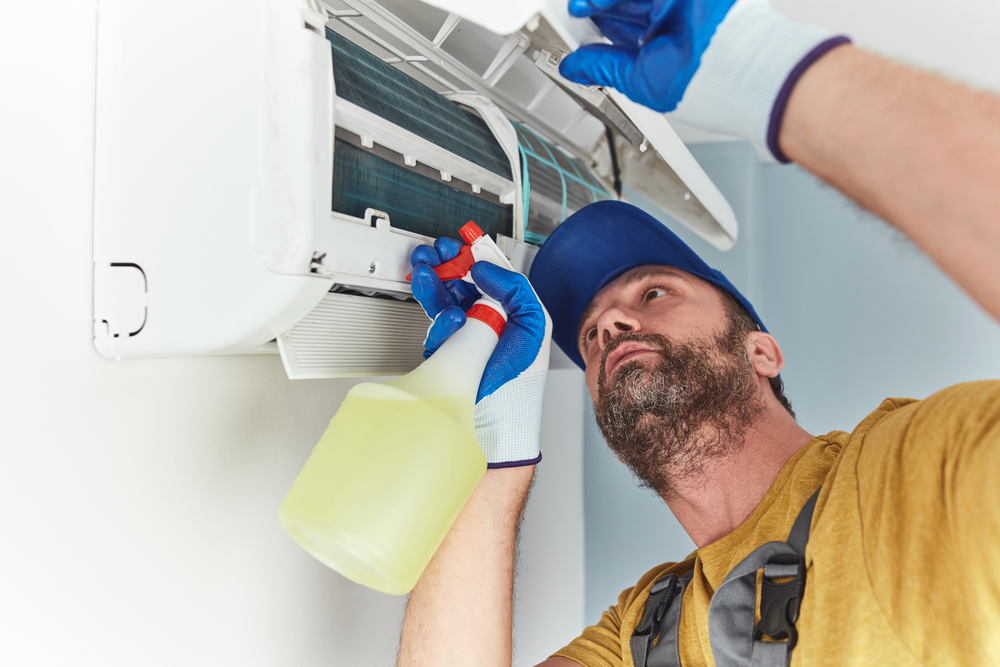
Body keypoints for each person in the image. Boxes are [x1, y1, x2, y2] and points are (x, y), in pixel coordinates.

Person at [397, 0, 1000, 665]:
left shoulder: (904, 484)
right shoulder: (643, 630)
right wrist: (488, 456)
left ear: (761, 350)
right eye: (592, 334)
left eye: (653, 291)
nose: (609, 325)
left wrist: (774, 75)